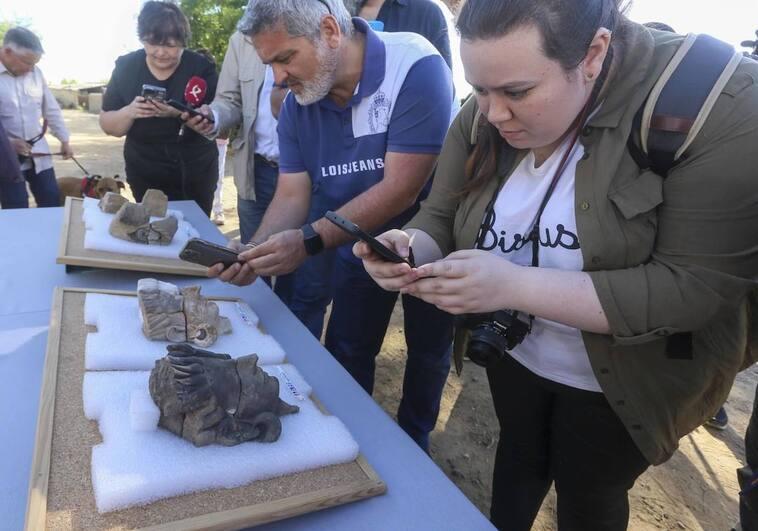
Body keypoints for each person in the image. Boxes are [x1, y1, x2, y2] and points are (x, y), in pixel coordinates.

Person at [354, 0, 758, 529]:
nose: (495, 114)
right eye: (479, 89)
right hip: (517, 356)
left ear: (593, 54)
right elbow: (439, 217)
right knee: (518, 459)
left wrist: (514, 285)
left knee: (590, 492)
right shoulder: (483, 116)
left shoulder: (716, 105)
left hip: (627, 380)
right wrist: (410, 251)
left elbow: (690, 290)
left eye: (517, 93)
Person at [210, 0, 455, 452]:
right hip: (352, 238)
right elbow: (291, 194)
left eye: (285, 59)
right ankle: (348, 442)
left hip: (433, 236)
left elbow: (402, 189)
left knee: (427, 348)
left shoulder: (415, 64)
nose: (279, 80)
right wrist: (254, 252)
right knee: (348, 346)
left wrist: (309, 240)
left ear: (329, 30)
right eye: (270, 65)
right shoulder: (301, 100)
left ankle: (415, 440)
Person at [185, 28, 291, 299]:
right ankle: (259, 338)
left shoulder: (319, 24)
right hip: (257, 172)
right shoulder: (241, 39)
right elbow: (229, 100)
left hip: (312, 177)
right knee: (251, 269)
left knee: (305, 286)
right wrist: (213, 115)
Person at [99, 1, 218, 216]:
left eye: (171, 45)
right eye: (152, 44)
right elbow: (109, 125)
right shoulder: (126, 67)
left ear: (183, 42)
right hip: (144, 168)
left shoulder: (201, 67)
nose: (161, 52)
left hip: (194, 169)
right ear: (142, 38)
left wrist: (181, 114)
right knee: (149, 227)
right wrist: (130, 111)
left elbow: (218, 125)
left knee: (195, 230)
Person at [0, 27, 73, 209]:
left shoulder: (36, 73)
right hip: (7, 159)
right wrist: (8, 143)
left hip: (39, 154)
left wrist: (64, 140)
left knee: (51, 201)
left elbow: (51, 108)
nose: (31, 69)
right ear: (7, 52)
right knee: (16, 208)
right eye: (27, 62)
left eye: (34, 63)